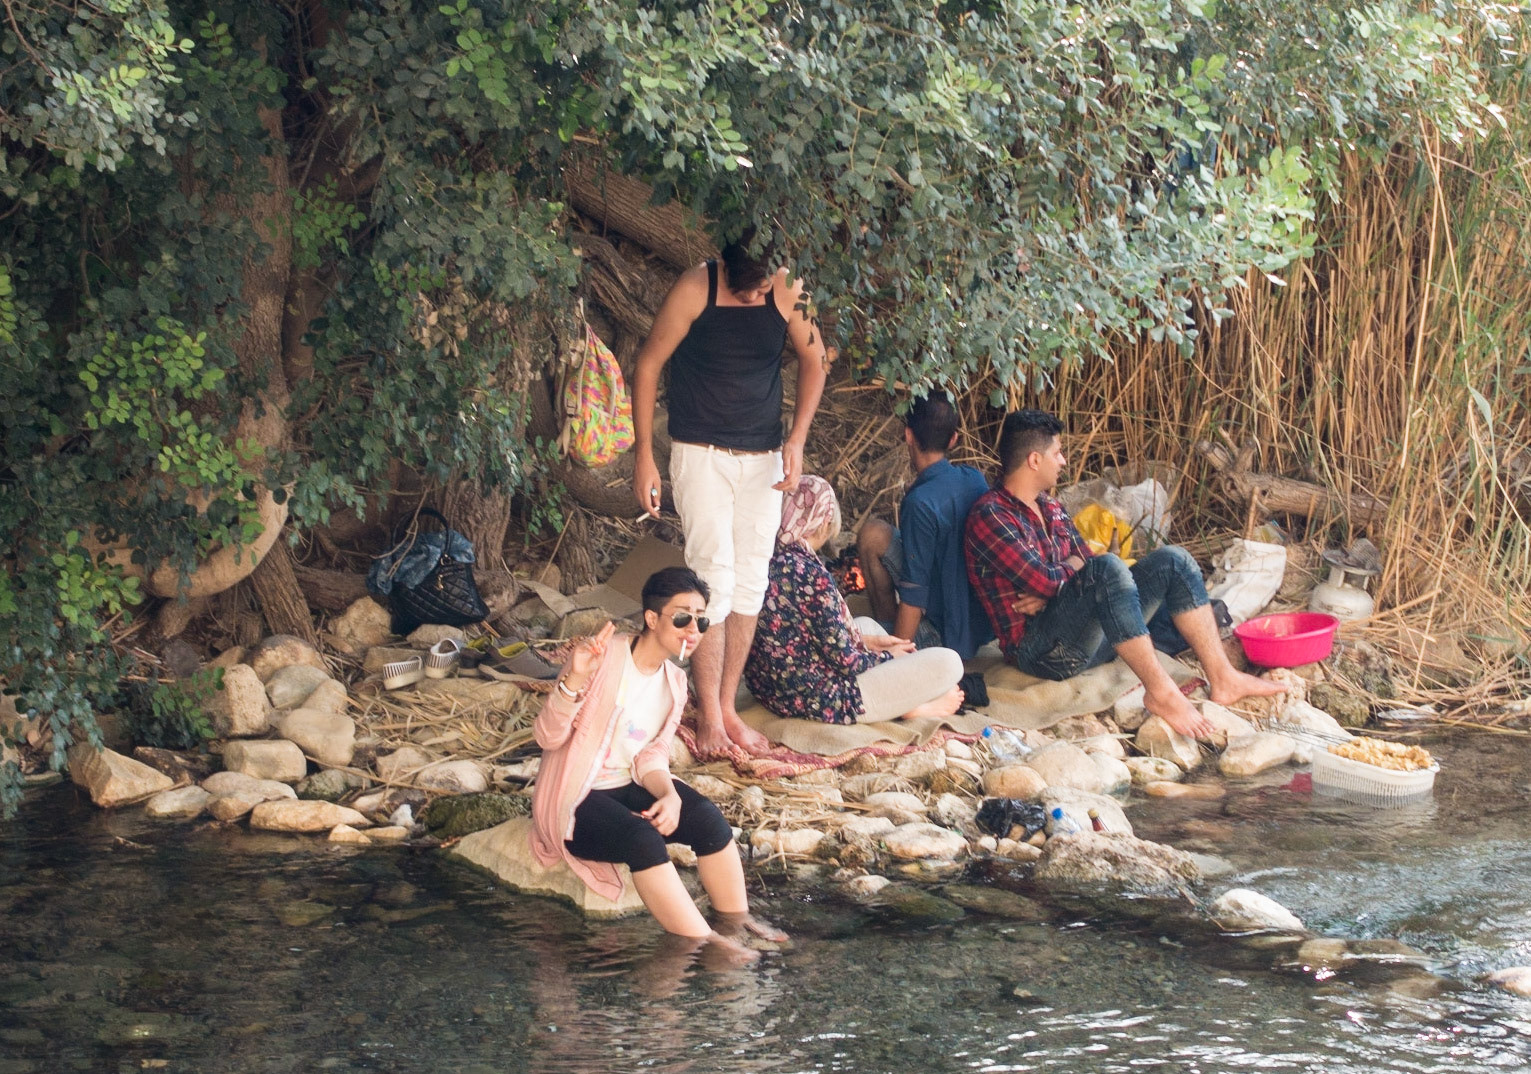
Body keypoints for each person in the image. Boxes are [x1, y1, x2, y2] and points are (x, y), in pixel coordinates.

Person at [631, 229, 831, 758]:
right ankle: (709, 719)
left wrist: (797, 438)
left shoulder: (788, 289)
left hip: (763, 458)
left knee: (751, 581)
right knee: (712, 577)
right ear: (726, 265)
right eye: (745, 289)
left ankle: (724, 707)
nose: (752, 297)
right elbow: (648, 364)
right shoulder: (695, 287)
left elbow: (816, 361)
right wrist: (644, 456)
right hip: (700, 454)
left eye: (760, 288)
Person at [963, 410, 1283, 738]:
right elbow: (1053, 578)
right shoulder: (991, 515)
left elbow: (1079, 562)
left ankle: (1224, 678)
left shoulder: (1051, 506)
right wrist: (1067, 580)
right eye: (1057, 453)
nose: (1063, 461)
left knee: (1175, 559)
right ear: (1034, 460)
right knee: (1108, 569)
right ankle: (1161, 691)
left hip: (1091, 636)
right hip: (1044, 654)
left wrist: (1061, 585)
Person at [530, 567, 786, 953]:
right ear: (651, 618)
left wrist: (669, 794)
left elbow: (652, 753)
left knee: (706, 818)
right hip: (575, 798)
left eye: (702, 619)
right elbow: (547, 737)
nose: (693, 628)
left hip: (626, 785)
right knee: (642, 839)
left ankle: (735, 919)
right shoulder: (600, 660)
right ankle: (707, 941)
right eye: (682, 616)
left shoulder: (675, 682)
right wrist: (574, 679)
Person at [745, 475, 966, 724]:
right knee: (950, 662)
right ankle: (909, 708)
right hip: (818, 697)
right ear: (822, 522)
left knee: (866, 625)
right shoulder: (810, 573)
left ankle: (901, 699)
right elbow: (847, 662)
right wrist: (889, 656)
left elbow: (801, 636)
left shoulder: (764, 554)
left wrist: (865, 642)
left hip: (771, 687)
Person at [857, 392, 994, 661]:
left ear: (908, 435)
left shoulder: (920, 503)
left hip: (944, 637)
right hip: (981, 629)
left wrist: (896, 656)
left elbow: (914, 598)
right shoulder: (974, 478)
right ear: (953, 439)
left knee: (870, 535)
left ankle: (891, 634)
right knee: (877, 533)